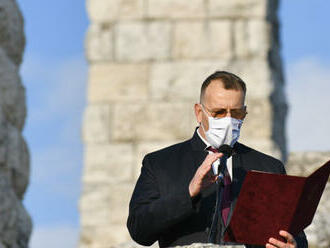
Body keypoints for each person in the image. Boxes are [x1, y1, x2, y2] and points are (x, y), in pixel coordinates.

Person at [127, 71, 308, 248]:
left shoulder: (269, 167)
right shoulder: (161, 164)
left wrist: (292, 244)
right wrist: (188, 193)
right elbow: (139, 230)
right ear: (199, 112)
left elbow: (295, 234)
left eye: (236, 113)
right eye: (219, 112)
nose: (228, 120)